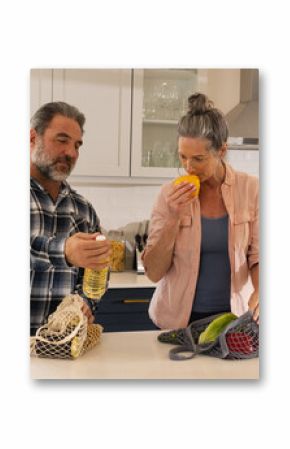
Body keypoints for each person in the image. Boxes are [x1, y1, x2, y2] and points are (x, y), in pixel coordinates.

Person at [142, 93, 259, 330]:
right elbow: (153, 272)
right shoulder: (168, 195)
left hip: (233, 322)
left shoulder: (251, 189)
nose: (188, 167)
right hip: (177, 323)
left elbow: (258, 257)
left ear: (222, 151)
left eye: (198, 159)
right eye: (183, 156)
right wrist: (173, 217)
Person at [30, 101, 111, 335]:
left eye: (77, 145)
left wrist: (87, 302)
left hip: (66, 346)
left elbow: (98, 272)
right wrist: (63, 250)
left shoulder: (83, 209)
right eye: (62, 140)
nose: (72, 153)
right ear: (32, 137)